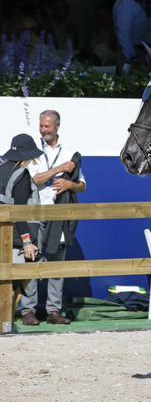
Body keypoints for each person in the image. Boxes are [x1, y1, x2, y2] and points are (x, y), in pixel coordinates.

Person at [26, 110, 86, 324]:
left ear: (57, 127)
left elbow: (82, 186)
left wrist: (70, 184)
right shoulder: (32, 152)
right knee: (32, 262)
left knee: (57, 265)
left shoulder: (70, 151)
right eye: (41, 126)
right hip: (35, 212)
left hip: (59, 215)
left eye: (47, 127)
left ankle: (53, 311)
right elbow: (34, 179)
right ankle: (28, 311)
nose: (43, 130)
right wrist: (59, 169)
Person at [0, 134, 44, 326]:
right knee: (17, 281)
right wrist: (27, 241)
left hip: (2, 233)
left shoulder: (1, 170)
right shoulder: (22, 175)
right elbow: (19, 211)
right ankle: (6, 323)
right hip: (17, 237)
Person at [113, 0, 151, 73]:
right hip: (129, 54)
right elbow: (123, 33)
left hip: (136, 52)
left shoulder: (136, 2)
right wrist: (132, 57)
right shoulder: (126, 3)